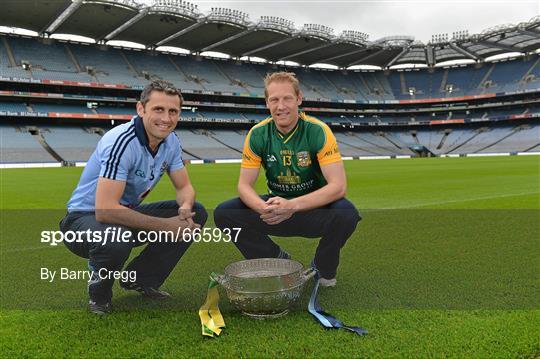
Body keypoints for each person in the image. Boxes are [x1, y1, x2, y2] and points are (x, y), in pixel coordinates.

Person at [60, 80, 207, 315]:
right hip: (82, 220)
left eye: (173, 111)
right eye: (158, 109)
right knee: (116, 236)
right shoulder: (121, 141)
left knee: (196, 213)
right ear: (141, 109)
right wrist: (166, 227)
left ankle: (140, 279)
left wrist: (185, 207)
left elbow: (184, 187)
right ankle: (99, 295)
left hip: (121, 214)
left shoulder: (171, 142)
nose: (166, 119)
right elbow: (105, 210)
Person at [214, 72, 360, 287]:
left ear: (299, 99)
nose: (280, 106)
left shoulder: (318, 130)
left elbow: (338, 187)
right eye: (274, 100)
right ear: (267, 103)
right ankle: (277, 261)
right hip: (275, 209)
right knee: (225, 213)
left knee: (346, 213)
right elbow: (244, 186)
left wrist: (292, 205)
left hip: (312, 209)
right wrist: (263, 207)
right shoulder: (258, 134)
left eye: (287, 98)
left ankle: (322, 268)